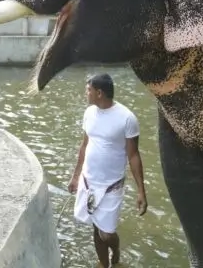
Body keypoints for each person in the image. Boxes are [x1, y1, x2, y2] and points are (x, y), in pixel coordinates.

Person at [68, 73, 148, 268]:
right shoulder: (89, 113)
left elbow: (134, 155)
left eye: (88, 90)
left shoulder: (127, 118)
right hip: (89, 181)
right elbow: (84, 145)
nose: (85, 93)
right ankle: (104, 264)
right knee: (96, 227)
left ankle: (116, 251)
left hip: (112, 185)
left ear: (99, 93)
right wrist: (76, 176)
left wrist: (141, 192)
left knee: (106, 233)